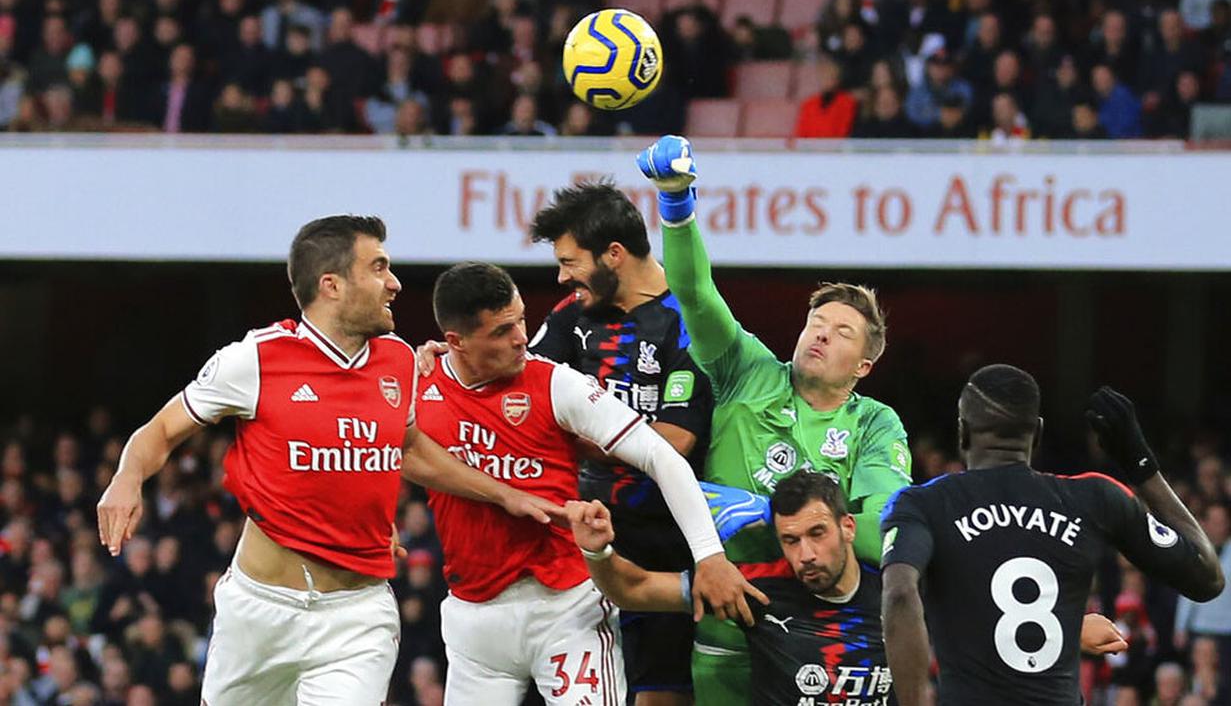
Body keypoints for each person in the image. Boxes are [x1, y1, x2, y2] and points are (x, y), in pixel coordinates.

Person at [96, 215, 563, 704]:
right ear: (332, 285)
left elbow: (405, 450)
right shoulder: (256, 359)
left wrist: (503, 493)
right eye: (379, 267)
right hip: (259, 612)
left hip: (357, 615)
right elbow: (162, 429)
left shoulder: (398, 360)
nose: (395, 283)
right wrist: (127, 477)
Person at [415, 182, 719, 703]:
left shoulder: (686, 322)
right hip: (572, 541)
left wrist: (555, 437)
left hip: (657, 539)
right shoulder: (568, 318)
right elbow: (510, 379)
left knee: (662, 695)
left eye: (569, 260)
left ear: (614, 256)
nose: (562, 275)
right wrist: (444, 362)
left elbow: (672, 442)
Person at [637, 135, 912, 705]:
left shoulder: (877, 424)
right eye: (817, 321)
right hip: (727, 618)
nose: (821, 333)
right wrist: (676, 205)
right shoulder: (747, 371)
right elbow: (694, 293)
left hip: (823, 634)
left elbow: (881, 528)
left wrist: (769, 513)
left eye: (842, 332)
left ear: (864, 365)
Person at [568, 466, 1128, 706]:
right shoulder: (755, 591)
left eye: (816, 534)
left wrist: (1066, 629)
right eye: (790, 540)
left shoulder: (900, 595)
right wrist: (598, 548)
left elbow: (987, 617)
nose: (805, 554)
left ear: (847, 527)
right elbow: (635, 589)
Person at [880, 366, 1225, 705]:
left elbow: (899, 597)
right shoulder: (1094, 497)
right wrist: (1139, 461)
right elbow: (1207, 577)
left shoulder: (922, 503)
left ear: (963, 433)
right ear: (1038, 434)